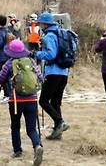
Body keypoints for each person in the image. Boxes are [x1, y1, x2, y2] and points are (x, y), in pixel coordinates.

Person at [0, 40, 44, 166]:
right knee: (31, 128)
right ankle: (37, 145)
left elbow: (0, 79)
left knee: (15, 126)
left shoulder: (9, 63)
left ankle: (17, 150)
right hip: (32, 99)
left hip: (16, 101)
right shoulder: (32, 62)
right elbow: (40, 77)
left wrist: (6, 76)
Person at [35, 12, 70, 140]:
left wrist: (37, 54)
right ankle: (57, 132)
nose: (39, 25)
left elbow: (51, 55)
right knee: (55, 102)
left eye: (40, 23)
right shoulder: (61, 33)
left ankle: (60, 122)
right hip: (64, 72)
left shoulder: (49, 36)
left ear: (44, 24)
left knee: (43, 101)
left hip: (53, 72)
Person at [0, 14, 11, 103]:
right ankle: (9, 94)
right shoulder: (8, 30)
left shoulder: (0, 32)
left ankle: (7, 95)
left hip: (1, 56)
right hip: (8, 55)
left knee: (2, 76)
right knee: (7, 76)